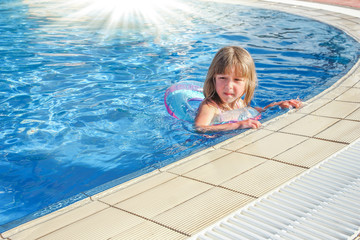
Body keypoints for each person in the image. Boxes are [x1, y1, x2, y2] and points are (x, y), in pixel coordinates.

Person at [195, 46, 302, 132]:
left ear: (247, 83)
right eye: (222, 78)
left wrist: (276, 106)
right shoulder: (209, 106)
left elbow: (253, 111)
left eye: (237, 80)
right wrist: (237, 125)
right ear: (213, 79)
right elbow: (200, 128)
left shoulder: (239, 103)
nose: (229, 86)